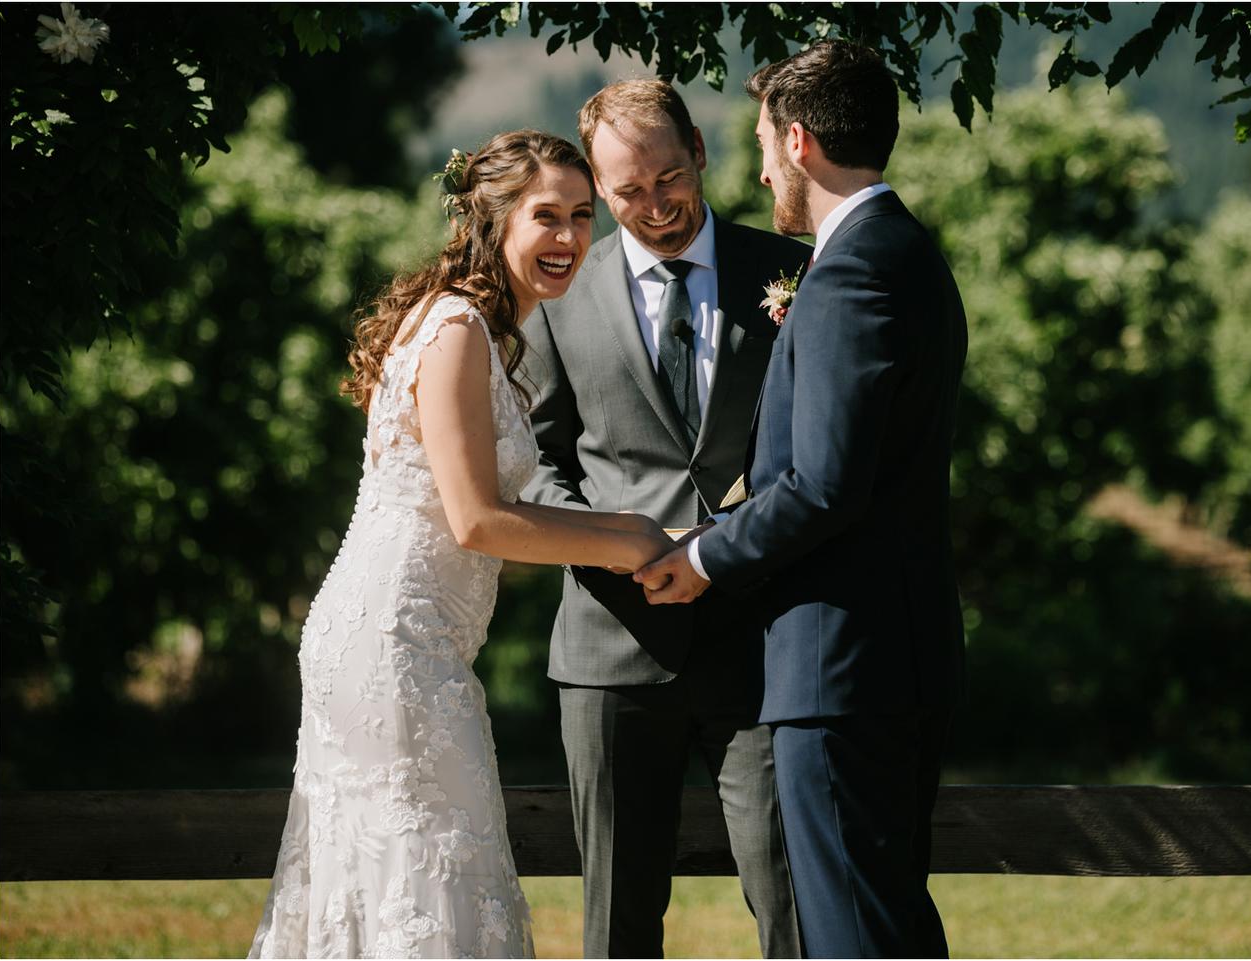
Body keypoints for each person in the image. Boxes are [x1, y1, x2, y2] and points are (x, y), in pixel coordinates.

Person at [249, 130, 672, 960]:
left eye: (583, 216)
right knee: (433, 866)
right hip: (394, 647)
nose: (570, 238)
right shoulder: (456, 331)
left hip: (407, 640)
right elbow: (478, 518)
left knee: (408, 871)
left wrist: (634, 530)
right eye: (545, 215)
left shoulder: (481, 328)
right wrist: (634, 543)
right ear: (494, 219)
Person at [636, 41, 968, 959]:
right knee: (886, 921)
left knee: (855, 937)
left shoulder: (851, 273)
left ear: (799, 140)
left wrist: (703, 557)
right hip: (892, 660)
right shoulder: (904, 253)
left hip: (843, 671)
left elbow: (825, 483)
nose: (763, 166)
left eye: (762, 144)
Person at [520, 79, 807, 958]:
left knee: (793, 907)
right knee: (617, 923)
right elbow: (535, 466)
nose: (654, 206)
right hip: (610, 651)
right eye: (627, 192)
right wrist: (621, 550)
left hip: (763, 644)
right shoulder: (557, 296)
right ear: (600, 192)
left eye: (668, 178)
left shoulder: (792, 273)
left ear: (701, 152)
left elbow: (822, 452)